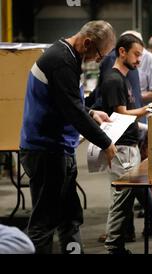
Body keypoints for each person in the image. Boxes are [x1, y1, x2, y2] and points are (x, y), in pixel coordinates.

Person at [19, 20, 117, 254]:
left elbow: (67, 102)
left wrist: (91, 112)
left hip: (58, 150)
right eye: (100, 54)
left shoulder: (68, 57)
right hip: (46, 152)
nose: (98, 60)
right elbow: (72, 111)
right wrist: (105, 143)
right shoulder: (61, 61)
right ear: (87, 43)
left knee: (70, 217)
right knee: (45, 222)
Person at [100, 34, 152, 254]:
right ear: (122, 52)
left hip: (130, 146)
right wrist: (149, 108)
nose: (139, 60)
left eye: (141, 56)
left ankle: (125, 237)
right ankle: (113, 244)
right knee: (121, 198)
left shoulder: (127, 78)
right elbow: (121, 114)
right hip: (122, 148)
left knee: (128, 197)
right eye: (136, 55)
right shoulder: (114, 80)